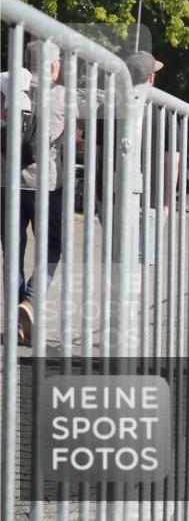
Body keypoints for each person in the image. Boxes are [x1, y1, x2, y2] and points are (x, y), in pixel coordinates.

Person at [1, 40, 75, 344]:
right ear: (55, 66)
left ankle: (18, 323)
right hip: (44, 185)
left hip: (6, 182)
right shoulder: (63, 97)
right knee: (52, 246)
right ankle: (30, 301)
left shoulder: (7, 88)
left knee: (13, 252)